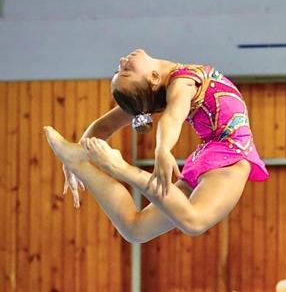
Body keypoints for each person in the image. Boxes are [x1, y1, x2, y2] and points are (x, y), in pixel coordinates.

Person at [44, 49, 268, 242]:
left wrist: (76, 158)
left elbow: (105, 126)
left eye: (120, 70)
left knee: (135, 229)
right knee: (193, 221)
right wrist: (163, 149)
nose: (122, 61)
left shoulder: (164, 91)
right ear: (152, 78)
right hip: (230, 152)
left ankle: (83, 165)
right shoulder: (182, 82)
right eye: (126, 70)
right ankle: (122, 169)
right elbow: (173, 117)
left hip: (211, 154)